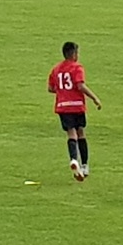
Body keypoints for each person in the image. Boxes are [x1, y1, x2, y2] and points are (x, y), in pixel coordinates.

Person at [47, 42, 102, 181]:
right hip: (77, 105)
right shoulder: (77, 67)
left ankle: (73, 159)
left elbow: (50, 88)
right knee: (81, 132)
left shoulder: (56, 69)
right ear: (74, 54)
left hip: (63, 106)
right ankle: (84, 165)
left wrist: (63, 92)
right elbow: (80, 86)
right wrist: (94, 98)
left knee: (71, 133)